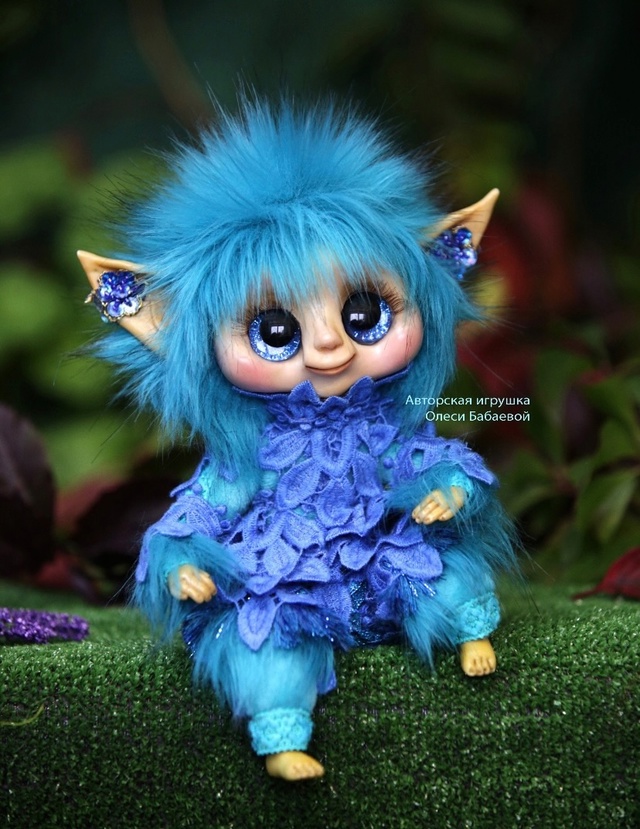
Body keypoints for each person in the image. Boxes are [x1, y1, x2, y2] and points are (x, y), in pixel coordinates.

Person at [79, 99, 516, 782]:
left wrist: (449, 490)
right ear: (197, 345)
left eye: (365, 312)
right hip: (290, 577)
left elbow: (425, 457)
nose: (329, 345)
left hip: (382, 556)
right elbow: (206, 503)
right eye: (275, 331)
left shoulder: (384, 422)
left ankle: (468, 631)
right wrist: (181, 560)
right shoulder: (252, 448)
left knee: (443, 572)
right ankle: (281, 731)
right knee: (262, 638)